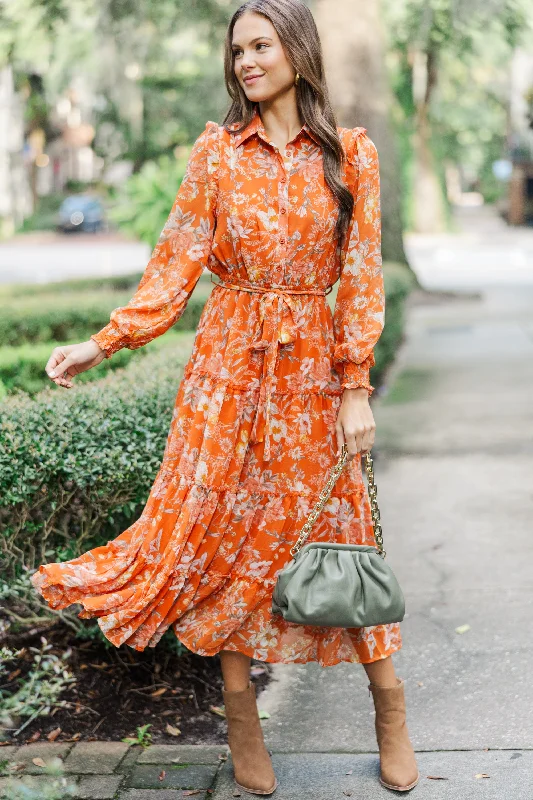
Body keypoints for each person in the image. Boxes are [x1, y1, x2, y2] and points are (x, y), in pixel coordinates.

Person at [31, 0, 419, 794]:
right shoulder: (216, 153)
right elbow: (173, 266)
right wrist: (101, 344)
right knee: (227, 542)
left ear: (297, 51)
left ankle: (389, 707)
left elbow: (362, 282)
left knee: (344, 534)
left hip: (313, 375)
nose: (244, 62)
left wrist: (354, 388)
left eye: (259, 45)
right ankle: (240, 712)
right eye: (235, 49)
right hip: (227, 377)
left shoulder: (350, 155)